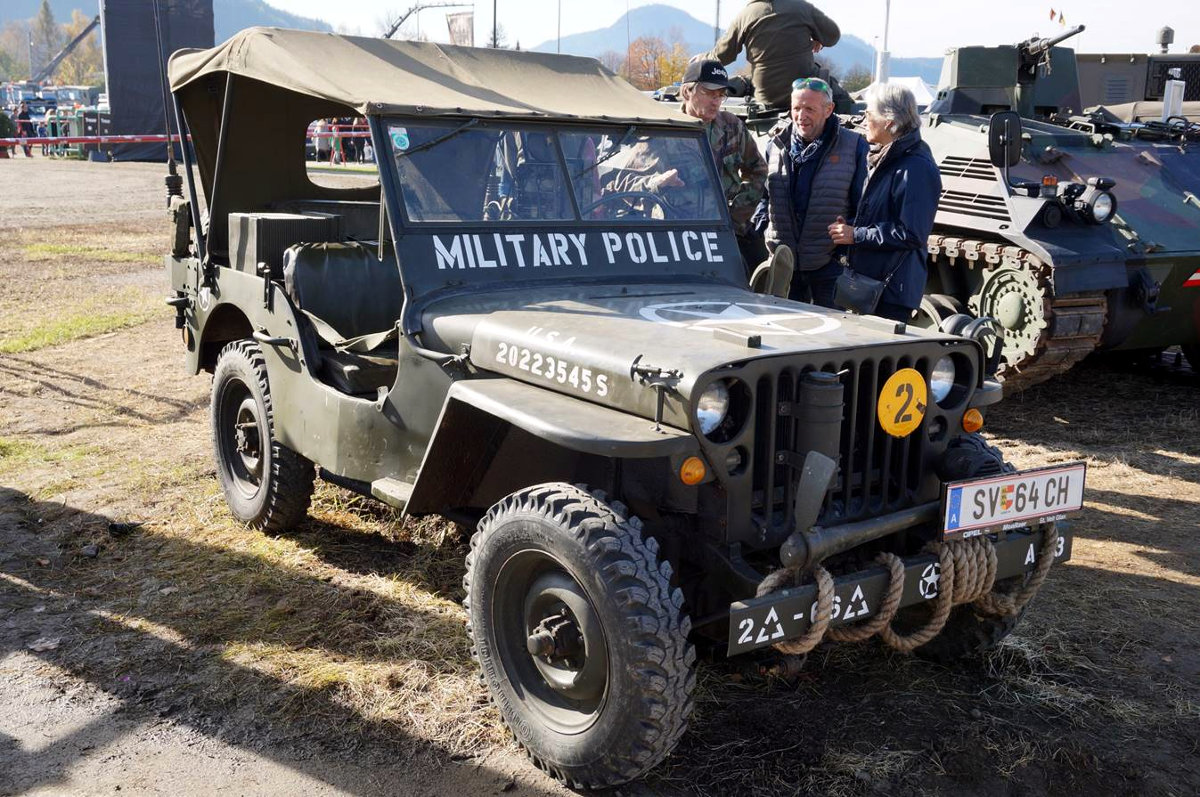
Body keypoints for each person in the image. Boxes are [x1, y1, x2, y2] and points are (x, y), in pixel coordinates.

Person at [827, 84, 942, 323]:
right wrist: (850, 226)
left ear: (889, 121)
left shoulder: (915, 167)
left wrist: (856, 234)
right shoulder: (888, 157)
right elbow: (883, 216)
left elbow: (911, 233)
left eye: (869, 114)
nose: (864, 119)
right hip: (873, 285)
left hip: (890, 293)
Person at [754, 76, 866, 307]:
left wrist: (848, 239)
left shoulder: (854, 146)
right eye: (796, 108)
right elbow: (765, 197)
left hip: (829, 265)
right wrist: (763, 225)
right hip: (783, 261)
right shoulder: (776, 145)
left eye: (809, 109)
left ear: (829, 109)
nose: (801, 116)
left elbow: (863, 204)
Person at [677, 58, 767, 276]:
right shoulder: (666, 129)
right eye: (709, 93)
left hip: (729, 230)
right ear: (688, 92)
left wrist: (736, 215)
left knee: (758, 271)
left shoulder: (731, 126)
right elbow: (630, 182)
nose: (716, 101)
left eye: (721, 95)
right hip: (682, 235)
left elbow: (758, 170)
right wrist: (658, 183)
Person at [707, 0, 841, 111]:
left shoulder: (744, 16)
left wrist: (702, 60)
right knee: (835, 90)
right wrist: (819, 38)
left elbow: (722, 55)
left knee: (742, 81)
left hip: (766, 96)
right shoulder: (801, 8)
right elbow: (833, 35)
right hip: (804, 92)